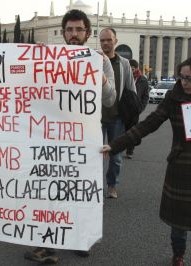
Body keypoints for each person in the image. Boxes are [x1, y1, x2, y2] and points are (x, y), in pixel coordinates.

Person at [24, 9, 117, 264]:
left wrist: (100, 78)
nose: (74, 34)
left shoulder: (100, 60)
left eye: (79, 29)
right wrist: (36, 60)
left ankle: (81, 238)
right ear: (63, 32)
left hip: (85, 140)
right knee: (48, 193)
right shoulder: (51, 58)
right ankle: (47, 246)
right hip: (51, 139)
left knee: (82, 192)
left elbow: (111, 99)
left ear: (88, 33)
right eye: (69, 29)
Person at [102, 57, 191, 266]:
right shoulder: (173, 98)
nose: (186, 82)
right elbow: (148, 124)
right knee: (179, 225)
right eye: (183, 78)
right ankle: (178, 255)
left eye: (190, 78)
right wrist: (115, 145)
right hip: (181, 168)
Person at [99, 27, 137, 199]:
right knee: (93, 155)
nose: (106, 43)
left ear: (115, 40)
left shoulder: (124, 63)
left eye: (109, 39)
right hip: (95, 119)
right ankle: (92, 186)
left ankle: (112, 185)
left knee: (115, 156)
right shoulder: (93, 60)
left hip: (116, 117)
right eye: (102, 40)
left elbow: (131, 89)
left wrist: (132, 113)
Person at [125, 59, 149, 158]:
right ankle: (121, 146)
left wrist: (141, 108)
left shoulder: (142, 80)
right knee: (123, 129)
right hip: (125, 109)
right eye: (130, 68)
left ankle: (130, 150)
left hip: (135, 110)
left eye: (133, 69)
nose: (131, 70)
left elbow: (145, 96)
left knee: (132, 130)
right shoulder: (125, 77)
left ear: (136, 68)